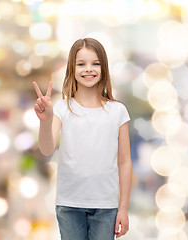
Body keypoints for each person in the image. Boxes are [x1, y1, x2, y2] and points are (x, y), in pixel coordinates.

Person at [32, 38, 132, 240]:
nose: (89, 69)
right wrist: (46, 120)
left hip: (106, 206)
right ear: (72, 68)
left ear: (104, 67)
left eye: (95, 63)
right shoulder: (61, 108)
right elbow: (46, 148)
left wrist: (123, 208)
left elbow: (124, 161)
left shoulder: (117, 111)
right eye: (81, 64)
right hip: (69, 204)